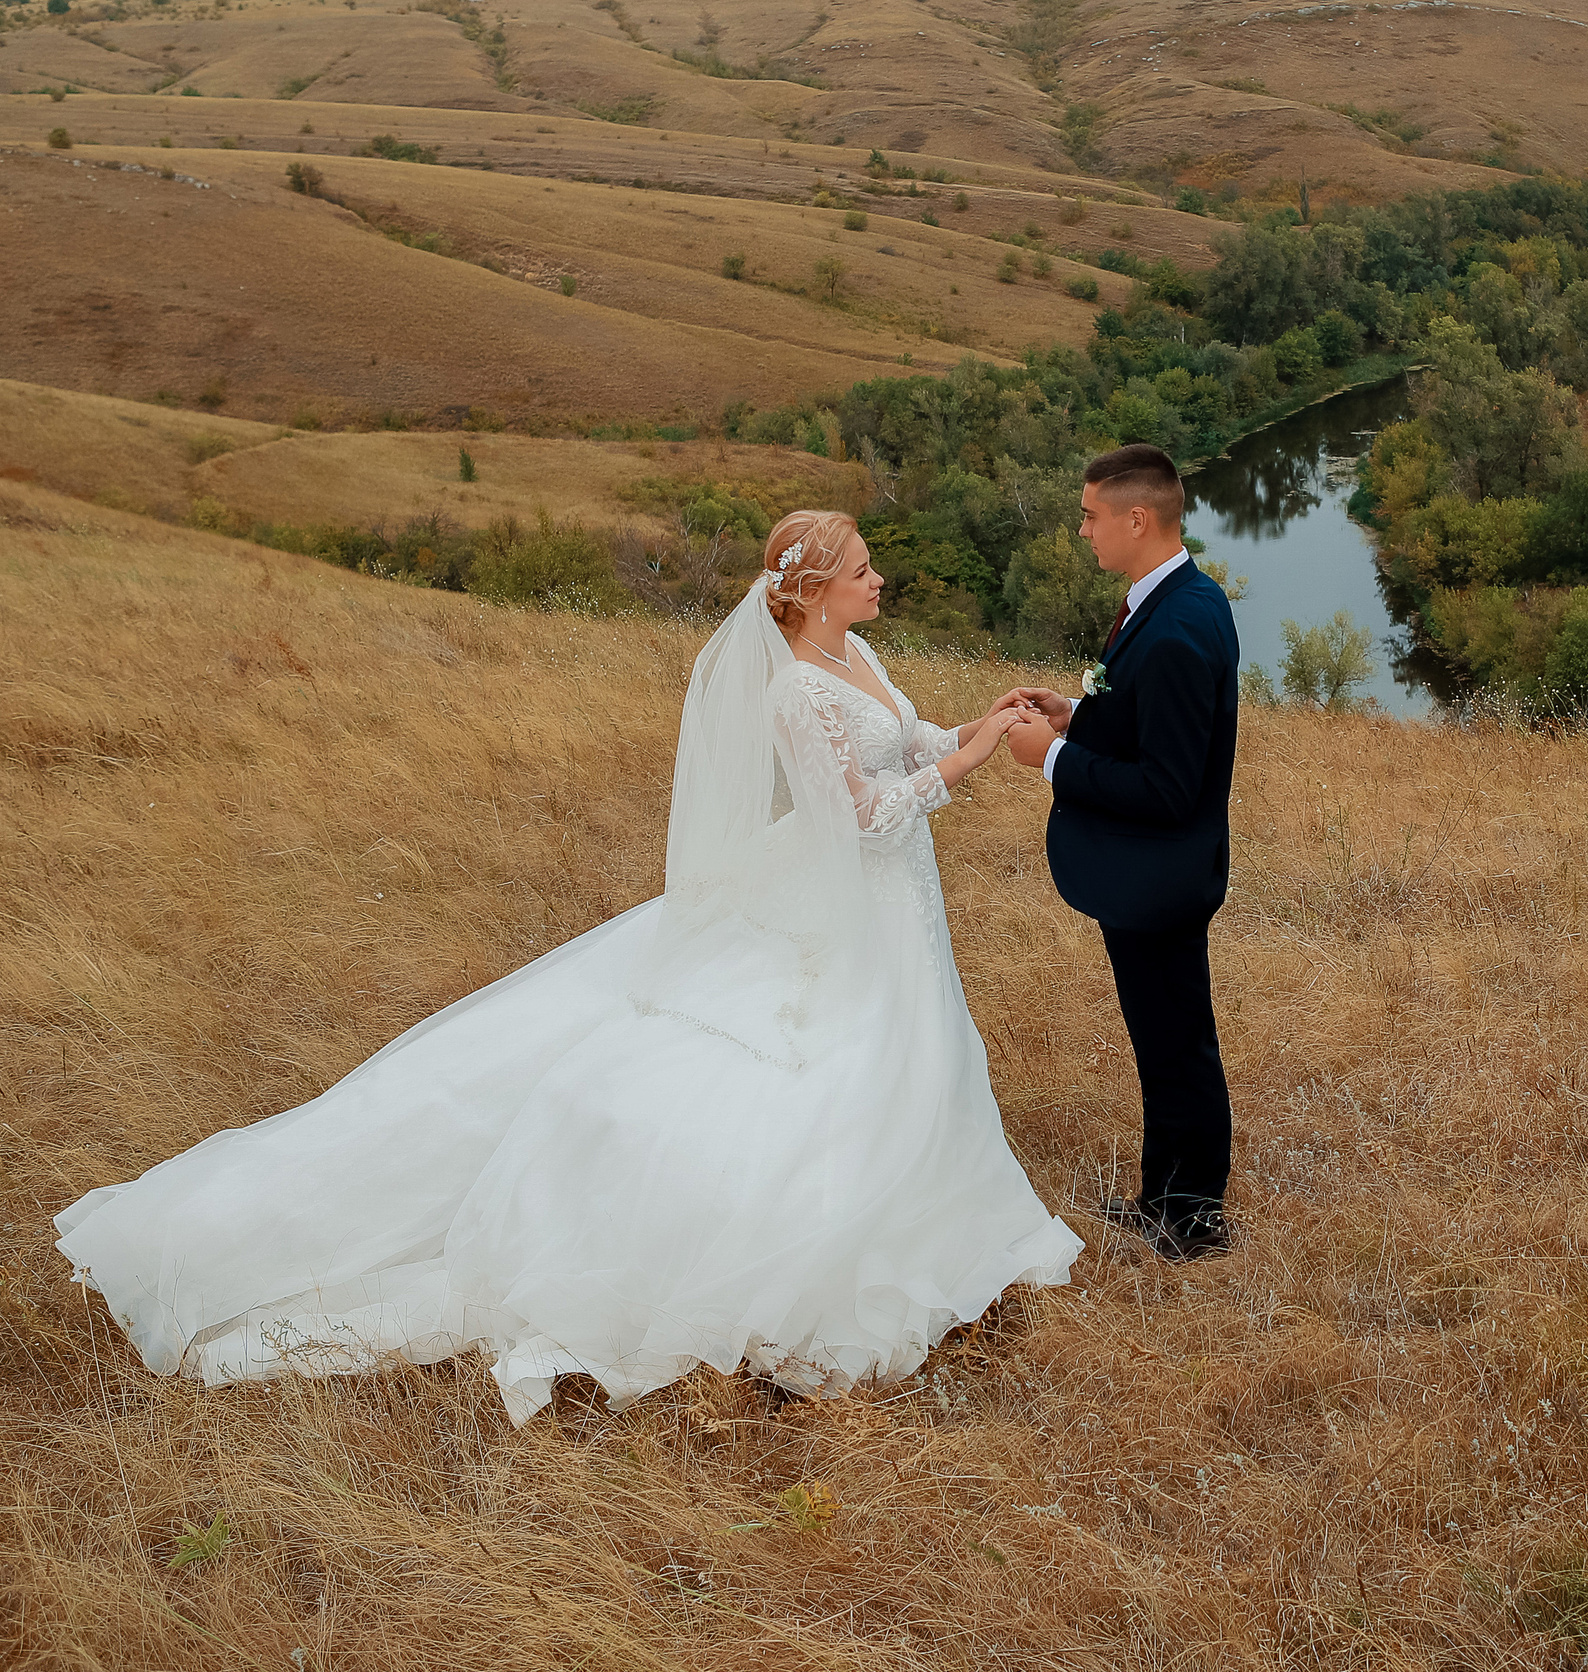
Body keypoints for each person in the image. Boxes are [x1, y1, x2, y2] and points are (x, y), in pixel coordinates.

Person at [54, 512, 1082, 1426]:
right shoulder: (793, 694)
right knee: (815, 1058)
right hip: (842, 895)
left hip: (892, 908)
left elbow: (904, 744)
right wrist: (971, 763)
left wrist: (976, 725)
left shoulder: (855, 651)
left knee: (907, 1052)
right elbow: (857, 815)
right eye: (860, 570)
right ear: (812, 591)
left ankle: (922, 1208)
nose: (878, 579)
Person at [998, 445, 1241, 1263]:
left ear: (1137, 519)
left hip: (1159, 878)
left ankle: (1194, 1221)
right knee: (1162, 1040)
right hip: (1155, 873)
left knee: (1178, 1045)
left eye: (1090, 515)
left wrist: (1053, 758)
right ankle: (1161, 1199)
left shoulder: (1176, 628)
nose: (1082, 530)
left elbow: (1168, 788)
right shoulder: (1177, 597)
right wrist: (1079, 715)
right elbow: (1151, 722)